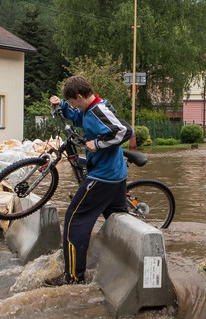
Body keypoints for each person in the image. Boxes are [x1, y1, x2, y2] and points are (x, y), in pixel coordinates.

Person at [46, 75, 134, 286]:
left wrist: (98, 144)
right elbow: (78, 118)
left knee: (74, 220)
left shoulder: (98, 110)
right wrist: (61, 106)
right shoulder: (90, 109)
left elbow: (125, 131)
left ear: (79, 96)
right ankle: (125, 267)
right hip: (115, 176)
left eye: (73, 102)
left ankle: (74, 278)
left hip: (104, 177)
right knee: (117, 221)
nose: (74, 106)